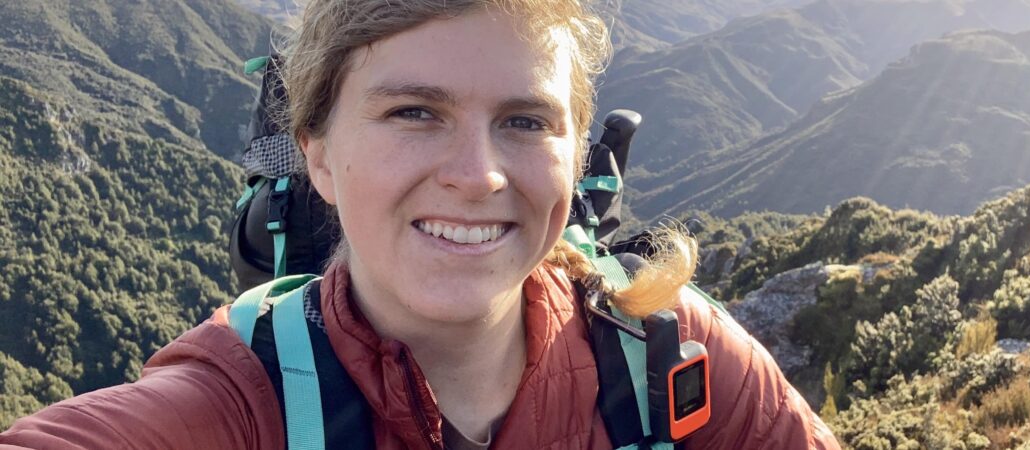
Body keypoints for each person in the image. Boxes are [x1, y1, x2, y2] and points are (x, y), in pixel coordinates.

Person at [0, 0, 839, 448]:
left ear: (575, 151)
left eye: (525, 121)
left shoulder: (672, 356)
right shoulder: (244, 407)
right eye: (413, 111)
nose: (477, 175)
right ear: (317, 156)